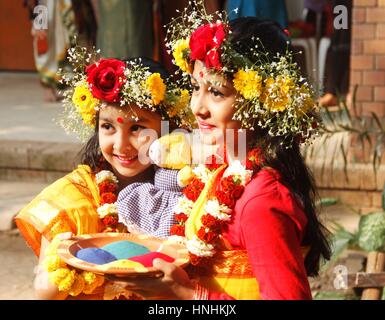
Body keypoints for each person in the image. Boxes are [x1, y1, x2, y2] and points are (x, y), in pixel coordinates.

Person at [110, 3, 331, 300]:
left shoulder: (261, 201)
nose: (198, 107)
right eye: (195, 88)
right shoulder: (219, 165)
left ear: (258, 102)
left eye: (216, 92)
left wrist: (189, 295)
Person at [14, 52, 190, 299]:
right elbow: (43, 294)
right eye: (108, 127)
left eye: (137, 128)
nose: (121, 145)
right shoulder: (72, 200)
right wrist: (62, 259)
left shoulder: (184, 191)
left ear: (167, 128)